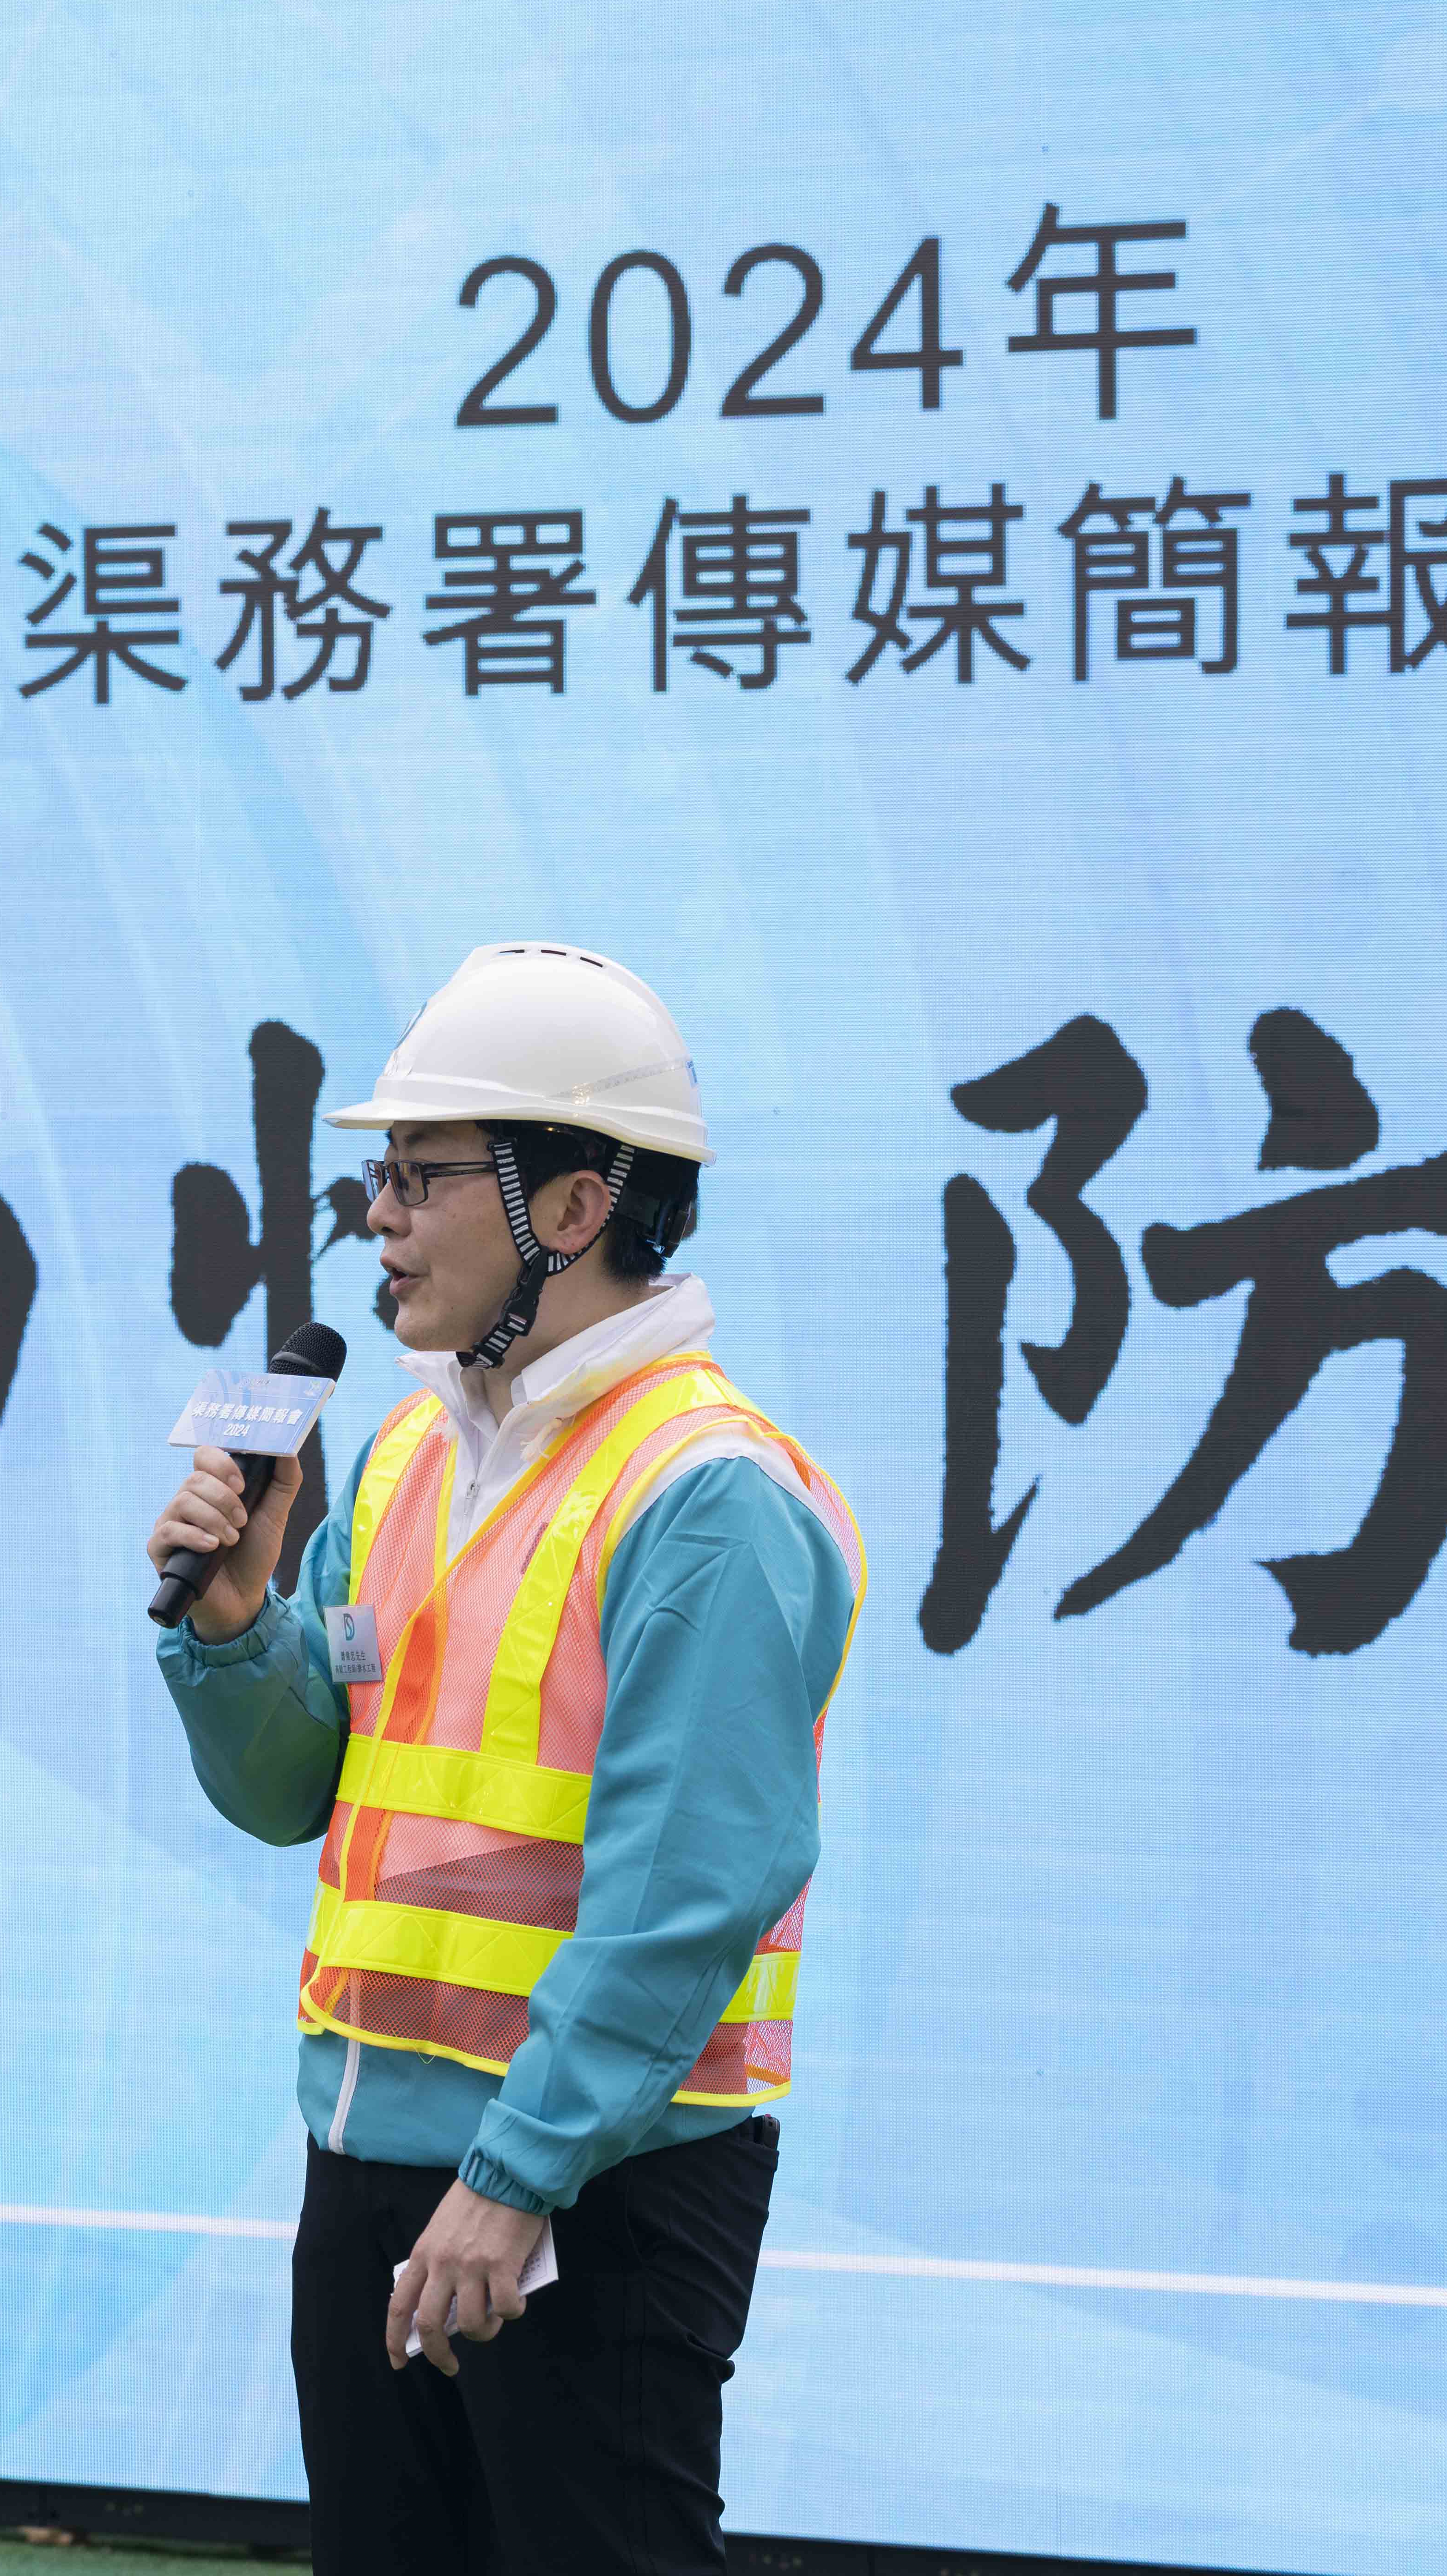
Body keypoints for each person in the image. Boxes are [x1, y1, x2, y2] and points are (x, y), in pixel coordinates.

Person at [145, 943, 865, 2576]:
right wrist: (236, 1631)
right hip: (371, 2163)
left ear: (577, 1204)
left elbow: (695, 1891)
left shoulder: (711, 1496)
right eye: (375, 1178)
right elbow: (286, 1796)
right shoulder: (406, 1448)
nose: (378, 1218)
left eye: (422, 1176)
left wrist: (517, 2176)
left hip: (594, 2188)